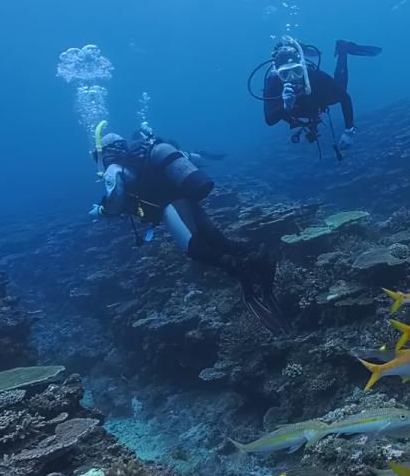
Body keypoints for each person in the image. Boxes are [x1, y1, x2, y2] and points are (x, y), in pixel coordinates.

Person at [88, 132, 288, 335]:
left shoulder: (114, 169)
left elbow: (115, 202)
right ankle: (260, 259)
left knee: (195, 248)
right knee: (220, 241)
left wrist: (100, 211)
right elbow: (189, 158)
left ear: (105, 152)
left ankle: (243, 273)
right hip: (189, 201)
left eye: (97, 156)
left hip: (171, 208)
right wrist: (211, 158)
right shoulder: (147, 155)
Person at [263, 36, 381, 153]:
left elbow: (344, 96)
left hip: (318, 97)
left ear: (303, 69)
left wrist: (349, 130)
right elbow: (270, 120)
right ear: (278, 75)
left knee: (340, 89)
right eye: (285, 74)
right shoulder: (273, 83)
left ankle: (343, 50)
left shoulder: (313, 76)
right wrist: (286, 106)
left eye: (297, 71)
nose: (292, 78)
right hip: (306, 107)